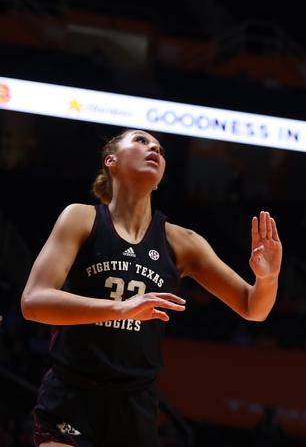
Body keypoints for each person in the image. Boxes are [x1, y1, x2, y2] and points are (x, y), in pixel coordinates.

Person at [21, 129, 283, 447]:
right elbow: (33, 302)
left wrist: (267, 279)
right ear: (111, 161)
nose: (154, 149)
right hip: (72, 394)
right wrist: (121, 308)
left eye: (159, 148)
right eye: (141, 141)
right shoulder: (81, 219)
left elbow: (253, 308)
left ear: (159, 179)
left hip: (135, 404)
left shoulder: (183, 242)